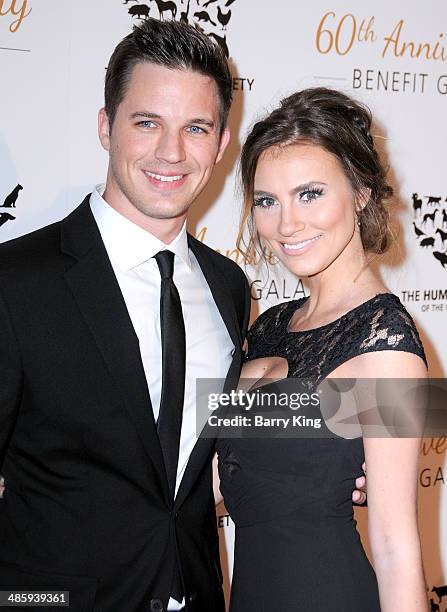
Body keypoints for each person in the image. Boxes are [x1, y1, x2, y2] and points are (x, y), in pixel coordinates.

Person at [0, 20, 366, 612]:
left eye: (195, 128)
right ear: (105, 127)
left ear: (221, 145)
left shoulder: (229, 286)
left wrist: (357, 449)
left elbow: (217, 434)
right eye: (147, 123)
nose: (171, 153)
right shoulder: (16, 282)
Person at [215, 88, 428, 611]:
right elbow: (214, 481)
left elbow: (396, 547)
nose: (286, 225)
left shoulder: (388, 342)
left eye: (309, 194)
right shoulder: (267, 327)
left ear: (359, 193)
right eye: (267, 201)